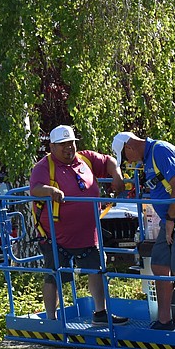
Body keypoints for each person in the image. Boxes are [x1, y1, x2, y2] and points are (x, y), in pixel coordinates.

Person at [29, 125, 128, 325]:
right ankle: (51, 319)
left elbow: (109, 161)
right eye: (63, 145)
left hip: (88, 234)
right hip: (56, 237)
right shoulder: (43, 167)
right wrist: (50, 191)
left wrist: (117, 174)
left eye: (71, 143)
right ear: (52, 147)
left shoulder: (85, 159)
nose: (69, 148)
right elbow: (35, 189)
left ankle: (100, 314)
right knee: (53, 275)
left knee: (97, 270)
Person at [112, 131, 175, 330]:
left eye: (126, 157)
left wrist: (170, 220)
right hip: (170, 219)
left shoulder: (160, 151)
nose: (129, 162)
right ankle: (164, 321)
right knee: (160, 265)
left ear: (130, 146)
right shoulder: (149, 156)